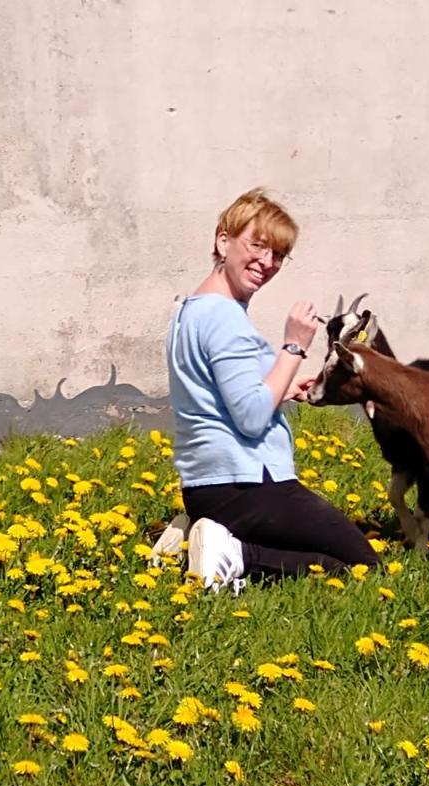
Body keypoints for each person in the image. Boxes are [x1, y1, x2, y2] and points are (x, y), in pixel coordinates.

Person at [163, 188, 380, 591]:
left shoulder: (190, 310)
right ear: (222, 241)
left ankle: (198, 536)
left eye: (278, 254)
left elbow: (219, 397)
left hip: (206, 485)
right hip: (248, 485)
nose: (267, 262)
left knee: (333, 557)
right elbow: (249, 417)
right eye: (257, 245)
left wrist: (281, 387)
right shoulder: (226, 319)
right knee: (363, 567)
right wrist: (294, 347)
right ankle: (235, 554)